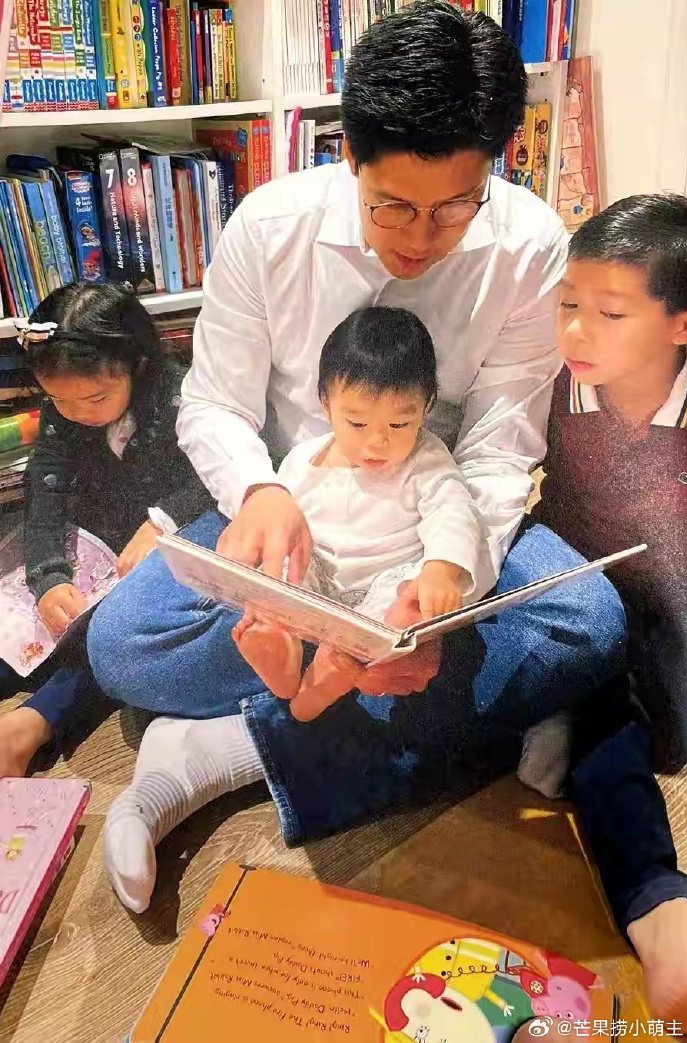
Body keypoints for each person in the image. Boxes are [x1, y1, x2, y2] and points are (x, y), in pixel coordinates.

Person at [89, 1, 624, 915]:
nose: (420, 238)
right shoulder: (270, 227)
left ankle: (222, 751)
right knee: (124, 641)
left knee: (587, 621)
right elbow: (213, 403)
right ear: (349, 156)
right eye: (393, 205)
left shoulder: (529, 245)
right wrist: (259, 490)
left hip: (435, 513)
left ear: (495, 165)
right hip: (298, 511)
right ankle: (470, 723)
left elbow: (499, 449)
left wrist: (446, 584)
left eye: (454, 207)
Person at [533, 193, 687, 1029]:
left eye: (610, 312)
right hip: (579, 585)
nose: (576, 331)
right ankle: (656, 895)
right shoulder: (558, 388)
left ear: (681, 324)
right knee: (604, 698)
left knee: (669, 723)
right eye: (569, 304)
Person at [234, 306, 495, 718]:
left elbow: (454, 510)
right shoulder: (301, 462)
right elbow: (286, 531)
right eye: (356, 424)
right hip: (318, 591)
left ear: (426, 407)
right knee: (280, 569)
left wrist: (442, 570)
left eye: (398, 425)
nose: (377, 443)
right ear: (325, 403)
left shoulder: (425, 458)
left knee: (410, 600)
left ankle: (319, 687)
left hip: (383, 595)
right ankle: (280, 650)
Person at [0, 282, 213, 775]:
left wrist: (163, 520)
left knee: (110, 639)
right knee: (20, 619)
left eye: (95, 397)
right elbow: (46, 487)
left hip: (166, 549)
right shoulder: (65, 413)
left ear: (138, 364)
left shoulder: (185, 398)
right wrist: (48, 575)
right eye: (58, 399)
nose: (76, 412)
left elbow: (220, 479)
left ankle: (33, 723)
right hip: (92, 542)